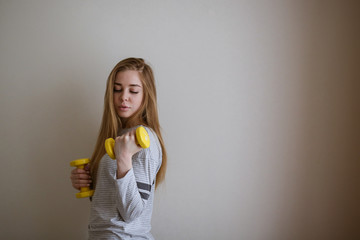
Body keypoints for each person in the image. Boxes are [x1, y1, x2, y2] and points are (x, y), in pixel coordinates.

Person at [70, 57, 167, 239]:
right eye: (117, 89)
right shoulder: (120, 134)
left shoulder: (144, 140)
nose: (123, 96)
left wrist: (124, 158)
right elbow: (114, 203)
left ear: (146, 95)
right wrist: (89, 183)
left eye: (134, 91)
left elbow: (131, 212)